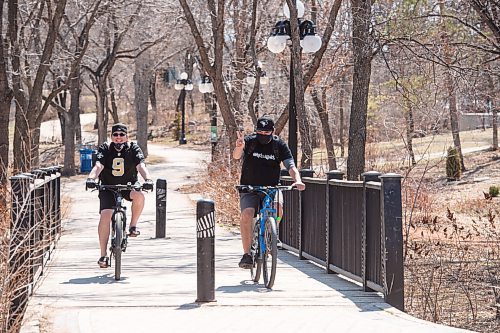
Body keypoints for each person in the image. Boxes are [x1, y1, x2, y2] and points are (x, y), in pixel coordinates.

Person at [232, 115, 305, 269]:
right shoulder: (250, 141)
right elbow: (236, 156)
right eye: (260, 132)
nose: (263, 136)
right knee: (247, 214)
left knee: (278, 206)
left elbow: (290, 165)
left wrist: (297, 180)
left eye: (267, 133)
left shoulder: (279, 145)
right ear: (256, 131)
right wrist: (239, 146)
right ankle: (247, 255)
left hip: (272, 187)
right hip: (249, 187)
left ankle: (272, 233)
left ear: (273, 131)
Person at [86, 123, 154, 268]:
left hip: (128, 186)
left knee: (140, 196)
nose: (118, 138)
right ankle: (103, 255)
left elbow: (141, 166)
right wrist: (91, 179)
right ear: (111, 137)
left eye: (121, 135)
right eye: (115, 135)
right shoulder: (105, 148)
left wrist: (148, 179)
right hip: (108, 187)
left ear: (127, 136)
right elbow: (98, 165)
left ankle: (133, 226)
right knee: (105, 215)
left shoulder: (133, 148)